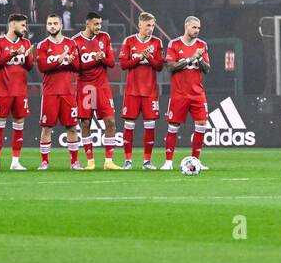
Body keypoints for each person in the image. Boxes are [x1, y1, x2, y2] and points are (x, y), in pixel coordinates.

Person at [162, 16, 211, 171]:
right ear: (186, 27)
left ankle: (196, 160)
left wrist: (200, 59)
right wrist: (191, 58)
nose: (197, 30)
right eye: (194, 27)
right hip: (179, 93)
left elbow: (207, 69)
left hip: (197, 93)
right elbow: (170, 67)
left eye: (198, 28)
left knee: (201, 125)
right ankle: (168, 162)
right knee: (173, 126)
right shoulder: (174, 44)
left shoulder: (202, 45)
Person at [118, 12, 164, 169]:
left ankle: (147, 161)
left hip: (150, 91)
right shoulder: (129, 41)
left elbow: (159, 66)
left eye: (152, 25)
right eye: (148, 25)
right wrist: (139, 58)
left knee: (150, 125)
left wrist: (148, 57)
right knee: (129, 124)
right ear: (140, 25)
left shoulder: (157, 42)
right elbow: (123, 65)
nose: (151, 28)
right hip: (132, 90)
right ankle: (128, 160)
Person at [73, 11, 118, 169]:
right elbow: (76, 67)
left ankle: (109, 161)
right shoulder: (76, 41)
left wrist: (102, 58)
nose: (99, 27)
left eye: (100, 24)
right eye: (95, 24)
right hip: (86, 87)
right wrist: (95, 60)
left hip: (102, 86)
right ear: (87, 24)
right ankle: (90, 161)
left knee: (110, 121)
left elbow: (111, 62)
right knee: (85, 123)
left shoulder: (105, 37)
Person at [35, 13, 80, 171]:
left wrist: (71, 61)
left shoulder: (71, 43)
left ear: (61, 25)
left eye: (55, 23)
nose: (52, 26)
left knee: (72, 127)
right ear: (46, 26)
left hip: (67, 92)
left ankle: (74, 162)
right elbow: (42, 67)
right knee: (47, 128)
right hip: (50, 92)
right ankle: (44, 162)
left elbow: (77, 67)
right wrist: (59, 60)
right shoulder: (42, 45)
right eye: (49, 24)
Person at [0, 13, 33, 170]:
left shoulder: (26, 43)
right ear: (13, 24)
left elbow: (29, 67)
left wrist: (28, 56)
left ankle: (15, 162)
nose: (25, 29)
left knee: (19, 125)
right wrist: (11, 54)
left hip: (20, 91)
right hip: (3, 90)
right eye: (22, 25)